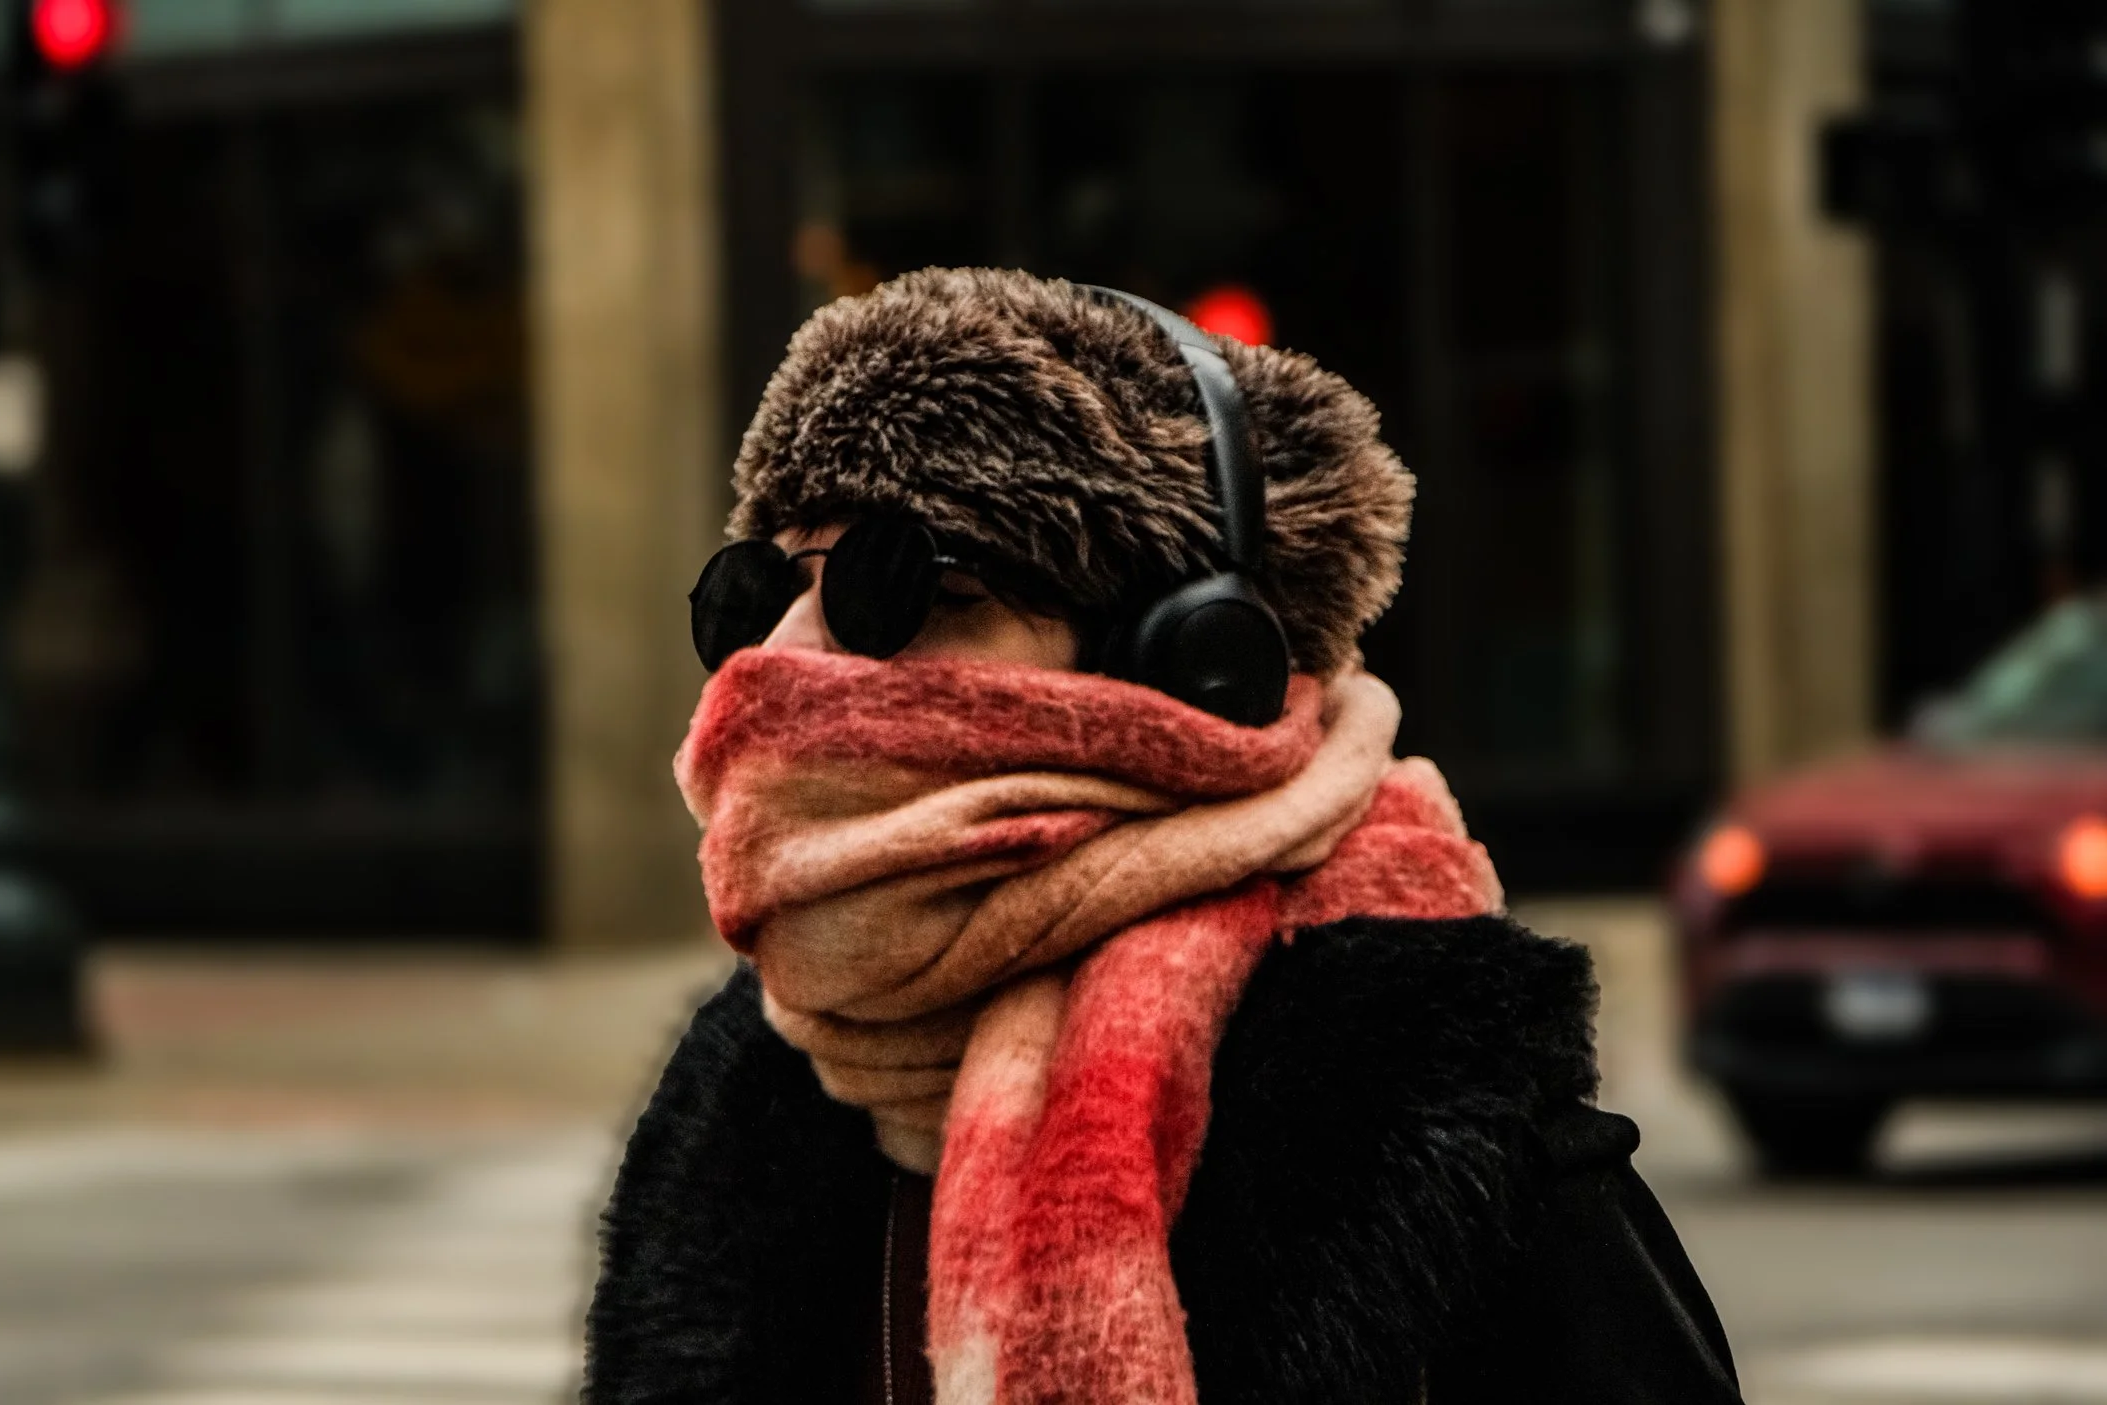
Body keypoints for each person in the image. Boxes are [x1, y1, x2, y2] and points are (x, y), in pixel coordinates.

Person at [585, 268, 1739, 1405]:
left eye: (904, 584)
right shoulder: (741, 1096)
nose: (781, 661)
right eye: (758, 593)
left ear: (1188, 660)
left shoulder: (1433, 1124)